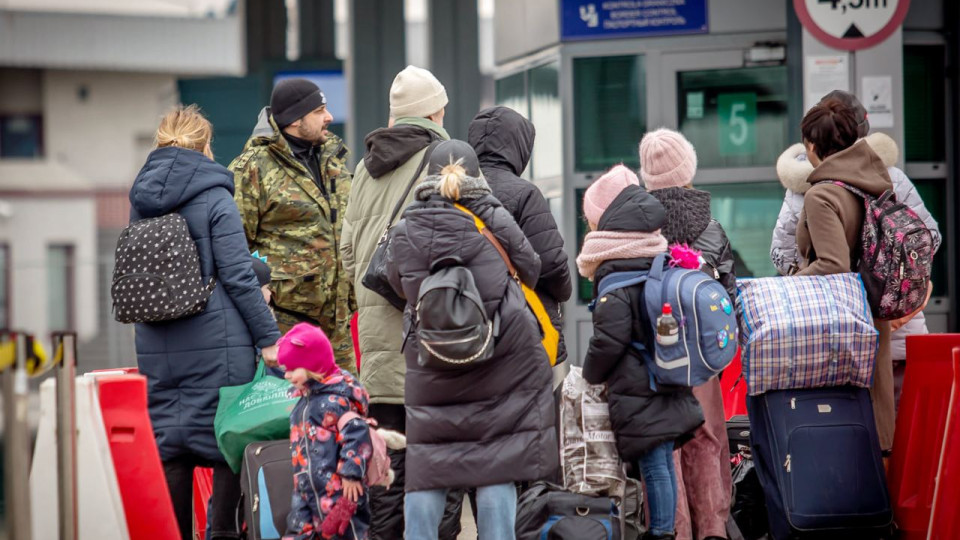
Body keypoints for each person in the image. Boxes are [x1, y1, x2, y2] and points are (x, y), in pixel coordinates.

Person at [383, 140, 558, 540]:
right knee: (494, 463)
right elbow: (531, 267)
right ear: (476, 175)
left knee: (428, 465)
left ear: (427, 177)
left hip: (431, 357)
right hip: (497, 355)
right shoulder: (492, 215)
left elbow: (393, 282)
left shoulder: (408, 226)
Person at [129, 105, 281, 540]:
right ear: (205, 145)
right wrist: (269, 338)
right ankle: (221, 533)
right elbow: (234, 273)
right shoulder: (216, 196)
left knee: (172, 451)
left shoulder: (140, 200)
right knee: (229, 442)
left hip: (158, 346)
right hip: (220, 344)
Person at [340, 65, 464, 539]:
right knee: (441, 469)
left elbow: (350, 255)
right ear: (435, 110)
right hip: (431, 343)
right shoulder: (445, 159)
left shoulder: (363, 169)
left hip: (378, 350)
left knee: (387, 471)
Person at [769, 91, 942, 414]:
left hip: (838, 332)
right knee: (893, 434)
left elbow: (781, 254)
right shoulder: (890, 180)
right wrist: (904, 294)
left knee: (853, 429)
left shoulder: (811, 191)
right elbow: (927, 238)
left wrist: (793, 288)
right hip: (894, 328)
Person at [577, 164, 704, 540]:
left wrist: (588, 373)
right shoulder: (653, 256)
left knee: (655, 465)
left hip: (638, 384)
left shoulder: (617, 275)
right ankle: (661, 529)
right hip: (663, 373)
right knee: (660, 459)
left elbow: (609, 338)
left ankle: (661, 532)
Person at [639, 129, 734, 540]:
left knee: (664, 448)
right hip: (702, 359)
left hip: (653, 356)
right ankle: (712, 527)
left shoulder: (636, 226)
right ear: (688, 170)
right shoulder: (710, 225)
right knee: (707, 438)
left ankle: (673, 531)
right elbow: (728, 295)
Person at [230, 78, 356, 373]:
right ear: (296, 120)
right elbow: (235, 249)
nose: (329, 118)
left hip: (338, 326)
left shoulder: (333, 160)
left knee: (348, 409)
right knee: (293, 415)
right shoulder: (253, 168)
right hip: (288, 328)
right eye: (320, 110)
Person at [794, 98, 896, 450]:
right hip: (873, 313)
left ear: (811, 145)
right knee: (875, 414)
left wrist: (787, 284)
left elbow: (832, 265)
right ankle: (881, 495)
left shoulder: (822, 194)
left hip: (839, 322)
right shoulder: (869, 180)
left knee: (841, 426)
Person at [468, 106, 573, 365]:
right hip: (521, 330)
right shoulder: (525, 193)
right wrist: (564, 291)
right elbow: (551, 262)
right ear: (519, 146)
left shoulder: (454, 190)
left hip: (465, 327)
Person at [278, 323, 372, 540]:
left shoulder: (335, 400)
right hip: (305, 492)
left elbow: (357, 434)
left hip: (340, 494)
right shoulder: (304, 401)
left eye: (292, 369)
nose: (287, 376)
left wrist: (351, 474)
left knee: (346, 534)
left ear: (312, 365)